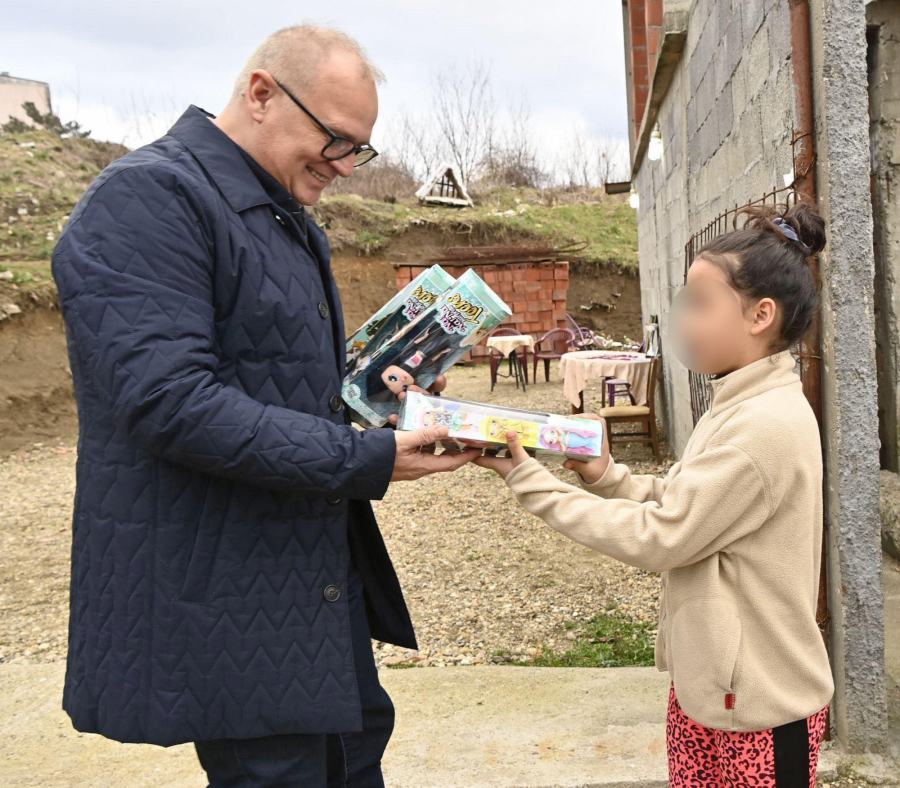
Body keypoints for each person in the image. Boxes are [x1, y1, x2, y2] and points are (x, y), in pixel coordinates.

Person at [51, 24, 479, 788]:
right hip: (229, 595)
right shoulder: (148, 199)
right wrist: (362, 458)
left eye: (358, 149)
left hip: (309, 578)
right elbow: (168, 401)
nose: (344, 165)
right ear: (260, 94)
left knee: (351, 757)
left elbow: (278, 385)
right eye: (336, 139)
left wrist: (372, 401)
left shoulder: (280, 216)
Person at [476, 200, 834, 786]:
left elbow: (664, 535)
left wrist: (530, 482)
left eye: (700, 302)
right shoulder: (739, 400)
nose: (683, 320)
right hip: (715, 691)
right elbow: (688, 502)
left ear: (760, 315)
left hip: (760, 710)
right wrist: (607, 476)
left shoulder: (763, 426)